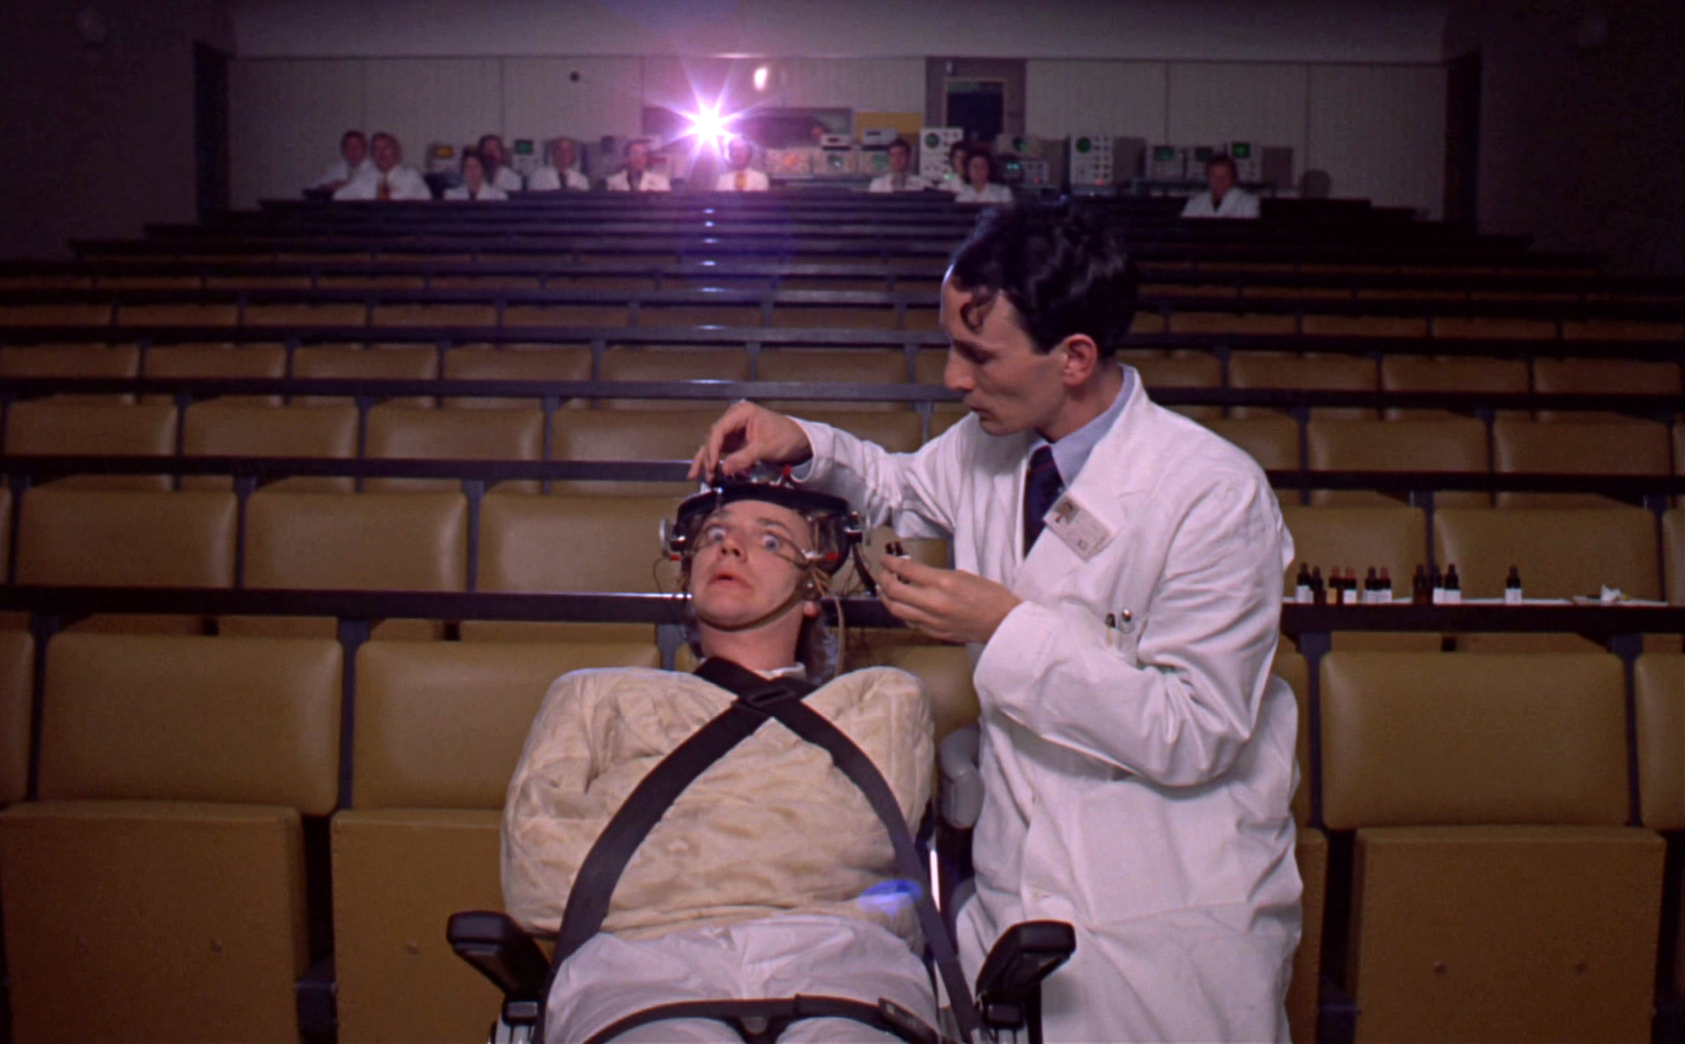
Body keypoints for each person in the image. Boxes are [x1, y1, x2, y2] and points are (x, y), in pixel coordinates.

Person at [690, 200, 1302, 1043]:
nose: (952, 377)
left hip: (1165, 906)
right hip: (1019, 889)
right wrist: (805, 441)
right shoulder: (994, 443)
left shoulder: (1211, 494)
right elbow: (899, 486)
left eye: (978, 354)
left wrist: (1006, 626)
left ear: (1074, 357)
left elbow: (1194, 731)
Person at [501, 479, 937, 1043]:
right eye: (714, 536)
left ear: (813, 589)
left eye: (771, 541)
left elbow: (855, 841)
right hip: (638, 977)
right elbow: (540, 882)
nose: (730, 547)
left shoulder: (877, 700)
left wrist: (656, 857)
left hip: (842, 970)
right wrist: (783, 836)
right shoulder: (594, 695)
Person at [333, 131, 431, 201]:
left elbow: (426, 199)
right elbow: (339, 196)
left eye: (386, 148)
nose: (381, 154)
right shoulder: (364, 177)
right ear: (372, 155)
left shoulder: (411, 175)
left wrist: (392, 195)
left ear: (397, 152)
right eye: (376, 149)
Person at [1181, 152, 1261, 219]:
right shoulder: (1195, 203)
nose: (1219, 181)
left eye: (1225, 177)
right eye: (1214, 177)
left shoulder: (1248, 203)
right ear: (1207, 178)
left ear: (1233, 178)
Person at [307, 129, 368, 197]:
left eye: (357, 146)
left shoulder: (373, 170)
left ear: (365, 149)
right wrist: (328, 188)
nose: (353, 150)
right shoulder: (336, 168)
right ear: (343, 150)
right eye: (349, 146)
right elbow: (312, 190)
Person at [605, 138, 672, 192]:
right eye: (634, 154)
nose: (639, 158)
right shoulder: (613, 182)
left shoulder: (661, 181)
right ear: (626, 157)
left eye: (643, 154)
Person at [527, 136, 591, 191]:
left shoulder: (582, 180)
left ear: (573, 156)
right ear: (553, 153)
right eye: (559, 149)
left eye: (568, 150)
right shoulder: (537, 176)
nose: (563, 154)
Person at [442, 148, 507, 202]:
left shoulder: (498, 196)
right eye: (468, 167)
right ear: (463, 172)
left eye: (476, 167)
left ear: (483, 170)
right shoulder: (451, 196)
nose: (472, 171)